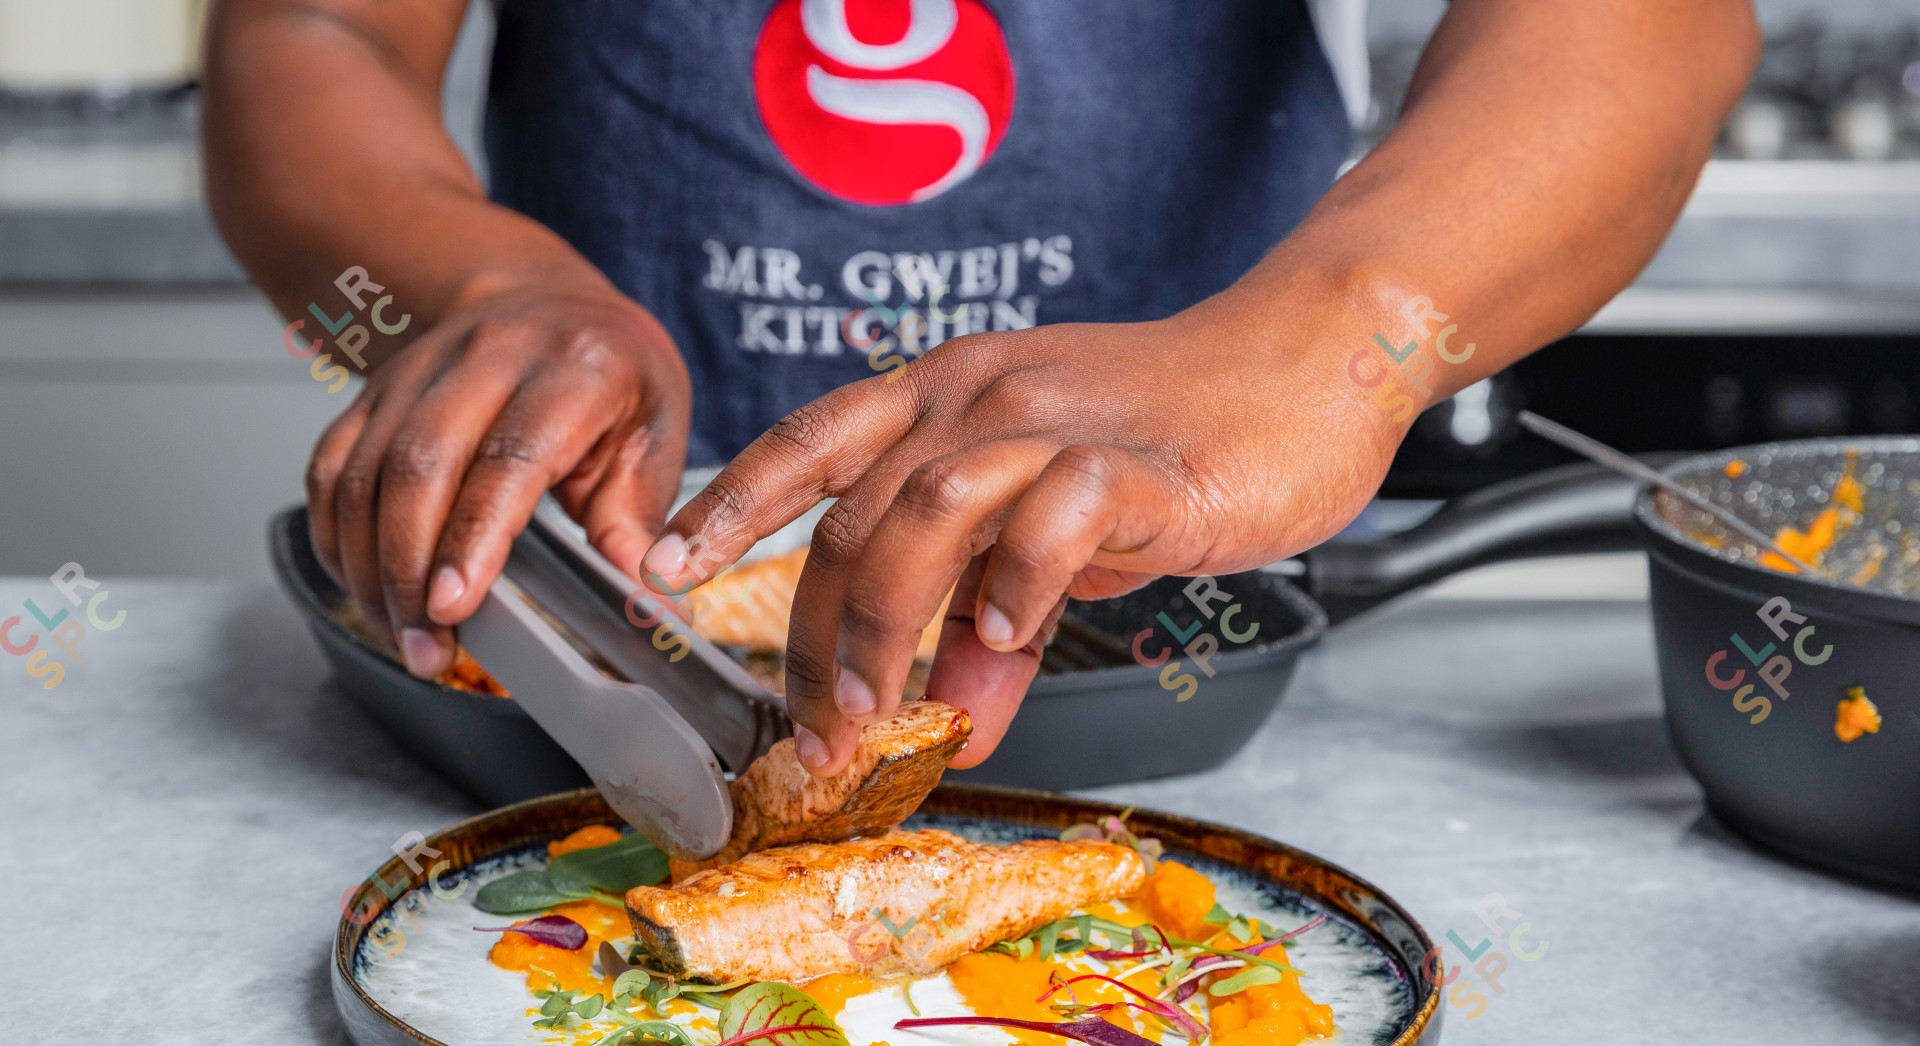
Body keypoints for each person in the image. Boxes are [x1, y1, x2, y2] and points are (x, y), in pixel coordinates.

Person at [205, 0, 1760, 777]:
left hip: (1167, 672)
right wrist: (475, 288)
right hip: (590, 635)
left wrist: (1341, 344)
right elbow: (313, 27)